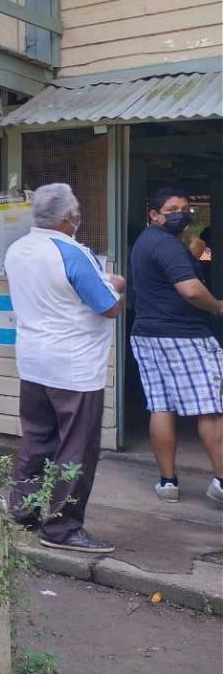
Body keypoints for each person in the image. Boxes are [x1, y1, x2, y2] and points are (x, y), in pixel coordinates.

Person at [4, 183, 125, 554]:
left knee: (36, 438)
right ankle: (62, 527)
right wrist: (119, 288)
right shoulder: (72, 252)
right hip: (74, 367)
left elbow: (57, 291)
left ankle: (22, 510)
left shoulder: (18, 249)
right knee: (77, 446)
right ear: (69, 218)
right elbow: (107, 306)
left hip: (33, 360)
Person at [128, 188, 223, 506]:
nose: (180, 213)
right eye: (172, 209)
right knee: (211, 410)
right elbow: (192, 291)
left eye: (185, 208)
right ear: (154, 214)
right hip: (185, 336)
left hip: (147, 334)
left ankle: (168, 482)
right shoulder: (167, 245)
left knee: (161, 406)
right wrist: (218, 307)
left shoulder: (144, 242)